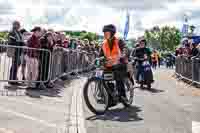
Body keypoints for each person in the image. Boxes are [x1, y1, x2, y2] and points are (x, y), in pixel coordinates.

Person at [99, 24, 128, 103]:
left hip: (120, 63)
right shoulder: (104, 44)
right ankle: (105, 96)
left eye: (106, 32)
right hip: (109, 65)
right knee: (102, 77)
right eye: (104, 32)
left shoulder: (119, 41)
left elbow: (125, 49)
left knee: (118, 76)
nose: (104, 34)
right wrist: (99, 59)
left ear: (112, 33)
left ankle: (123, 96)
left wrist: (123, 55)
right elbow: (101, 55)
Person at [8, 21, 24, 85]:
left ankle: (14, 78)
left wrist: (22, 43)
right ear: (14, 25)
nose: (19, 26)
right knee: (15, 65)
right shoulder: (12, 32)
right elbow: (11, 41)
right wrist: (20, 42)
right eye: (17, 24)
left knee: (17, 64)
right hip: (14, 50)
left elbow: (20, 40)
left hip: (18, 50)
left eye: (19, 24)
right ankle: (12, 79)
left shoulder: (18, 32)